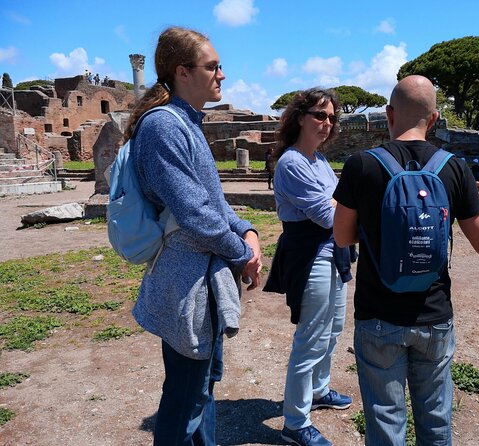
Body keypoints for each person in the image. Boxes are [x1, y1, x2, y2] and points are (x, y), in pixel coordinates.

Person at [332, 75, 479, 446]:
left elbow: (342, 237)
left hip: (378, 316)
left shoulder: (362, 165)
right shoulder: (454, 167)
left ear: (389, 114)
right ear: (435, 119)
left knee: (386, 424)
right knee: (436, 422)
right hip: (434, 316)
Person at [124, 26, 262, 445]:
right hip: (186, 283)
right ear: (183, 71)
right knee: (185, 400)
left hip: (202, 280)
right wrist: (242, 252)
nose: (221, 74)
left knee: (201, 392)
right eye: (212, 66)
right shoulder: (163, 127)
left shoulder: (185, 123)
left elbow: (214, 203)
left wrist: (248, 231)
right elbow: (195, 214)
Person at [263, 88, 354, 446]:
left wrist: (340, 202)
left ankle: (319, 390)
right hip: (311, 256)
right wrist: (341, 201)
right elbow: (330, 215)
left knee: (332, 331)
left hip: (335, 254)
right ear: (300, 117)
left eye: (331, 118)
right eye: (319, 115)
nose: (326, 123)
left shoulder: (317, 161)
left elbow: (341, 206)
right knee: (310, 340)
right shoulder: (292, 162)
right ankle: (295, 424)